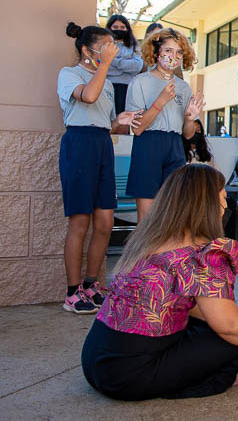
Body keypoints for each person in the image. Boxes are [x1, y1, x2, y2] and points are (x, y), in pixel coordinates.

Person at [81, 164, 238, 400]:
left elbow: (173, 302)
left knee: (234, 329)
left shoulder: (149, 240)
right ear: (204, 206)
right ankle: (229, 371)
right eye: (222, 199)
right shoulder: (203, 253)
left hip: (95, 362)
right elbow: (229, 326)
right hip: (131, 376)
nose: (225, 206)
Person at [59, 22, 142, 314]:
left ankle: (92, 285)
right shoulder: (69, 74)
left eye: (112, 48)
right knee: (79, 223)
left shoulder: (105, 80)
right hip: (79, 143)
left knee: (105, 222)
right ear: (86, 49)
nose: (111, 53)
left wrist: (122, 119)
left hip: (102, 145)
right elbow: (88, 97)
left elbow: (107, 122)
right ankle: (72, 293)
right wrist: (105, 65)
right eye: (106, 48)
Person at [126, 28, 205, 222]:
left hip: (175, 146)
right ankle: (145, 253)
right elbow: (137, 128)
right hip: (148, 144)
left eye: (178, 52)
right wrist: (160, 101)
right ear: (156, 51)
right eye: (168, 50)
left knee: (172, 215)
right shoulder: (140, 82)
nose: (173, 56)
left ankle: (169, 253)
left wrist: (189, 119)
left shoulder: (184, 87)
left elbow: (187, 135)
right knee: (147, 217)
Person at [105, 14, 144, 117]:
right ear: (109, 28)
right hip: (107, 86)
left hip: (126, 89)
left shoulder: (133, 46)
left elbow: (137, 66)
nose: (119, 30)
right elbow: (104, 66)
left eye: (122, 27)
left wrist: (115, 62)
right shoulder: (104, 45)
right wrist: (126, 65)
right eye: (115, 27)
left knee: (123, 120)